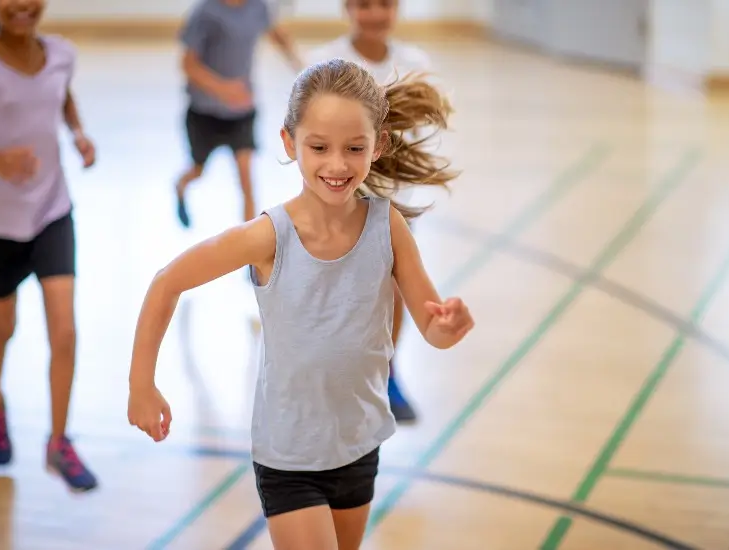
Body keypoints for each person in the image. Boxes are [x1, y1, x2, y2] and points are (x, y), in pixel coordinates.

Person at [127, 58, 474, 549]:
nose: (337, 165)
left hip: (358, 444)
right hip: (289, 456)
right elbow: (167, 282)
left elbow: (430, 324)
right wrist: (142, 384)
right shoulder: (270, 236)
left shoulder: (388, 226)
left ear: (379, 146)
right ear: (289, 143)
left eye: (354, 148)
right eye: (319, 147)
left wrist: (448, 326)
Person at [0, 0, 98, 492]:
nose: (22, 5)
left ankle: (58, 442)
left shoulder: (62, 53)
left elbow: (62, 97)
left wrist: (78, 133)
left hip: (52, 212)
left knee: (65, 331)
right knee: (2, 327)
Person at [307, 0, 434, 422]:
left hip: (394, 203)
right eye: (364, 5)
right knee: (332, 293)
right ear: (347, 8)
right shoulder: (325, 62)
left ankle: (388, 372)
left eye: (384, 4)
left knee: (396, 288)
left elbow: (420, 133)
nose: (375, 14)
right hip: (337, 203)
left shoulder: (414, 63)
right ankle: (327, 376)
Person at [174, 0, 303, 229]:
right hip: (204, 113)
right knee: (198, 170)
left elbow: (275, 32)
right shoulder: (205, 12)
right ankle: (181, 186)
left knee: (246, 180)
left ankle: (251, 251)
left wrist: (299, 63)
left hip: (241, 112)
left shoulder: (258, 7)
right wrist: (223, 89)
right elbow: (188, 64)